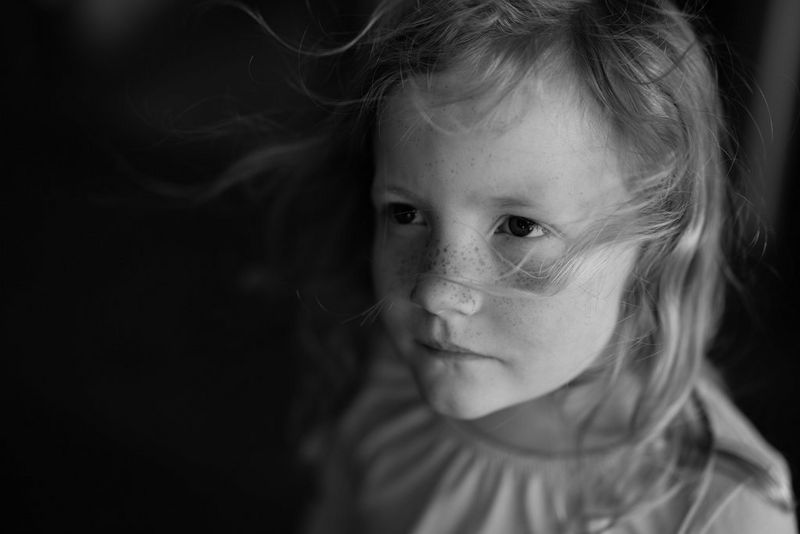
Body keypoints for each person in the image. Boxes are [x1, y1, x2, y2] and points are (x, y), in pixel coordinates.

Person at [222, 0, 798, 532]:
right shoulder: (385, 387)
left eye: (520, 228)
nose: (435, 291)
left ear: (658, 240)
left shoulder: (720, 511)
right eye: (405, 212)